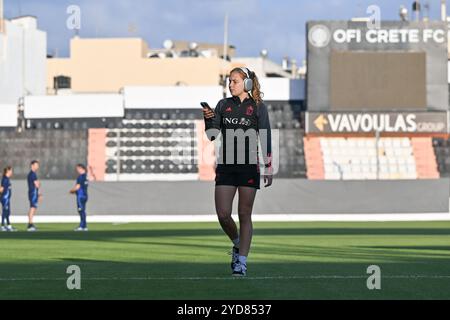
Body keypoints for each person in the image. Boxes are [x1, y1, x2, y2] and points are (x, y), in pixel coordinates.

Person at [203, 67, 273, 277]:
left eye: (234, 81)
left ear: (247, 84)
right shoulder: (223, 105)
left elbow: (266, 136)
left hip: (248, 166)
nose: (230, 85)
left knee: (244, 214)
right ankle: (237, 244)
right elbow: (212, 135)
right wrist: (208, 119)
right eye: (229, 81)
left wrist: (268, 166)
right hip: (226, 166)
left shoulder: (258, 107)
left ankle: (241, 262)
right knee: (223, 215)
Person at [70, 164, 89, 232]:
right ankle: (84, 225)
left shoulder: (80, 177)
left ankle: (82, 226)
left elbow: (77, 187)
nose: (77, 170)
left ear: (81, 168)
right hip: (85, 195)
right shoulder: (86, 176)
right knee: (82, 210)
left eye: (78, 169)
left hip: (80, 196)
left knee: (81, 210)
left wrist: (71, 191)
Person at [0, 167, 16, 232]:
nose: (12, 172)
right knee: (5, 212)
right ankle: (2, 226)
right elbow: (1, 189)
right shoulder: (5, 179)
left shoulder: (7, 179)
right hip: (4, 198)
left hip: (7, 198)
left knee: (7, 212)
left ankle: (8, 225)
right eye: (11, 170)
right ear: (8, 171)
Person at [27, 160, 41, 232]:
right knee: (32, 207)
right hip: (33, 193)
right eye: (36, 165)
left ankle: (31, 223)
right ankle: (30, 224)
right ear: (32, 165)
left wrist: (38, 194)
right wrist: (39, 183)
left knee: (33, 207)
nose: (37, 166)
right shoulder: (32, 174)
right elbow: (37, 184)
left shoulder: (33, 174)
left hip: (33, 193)